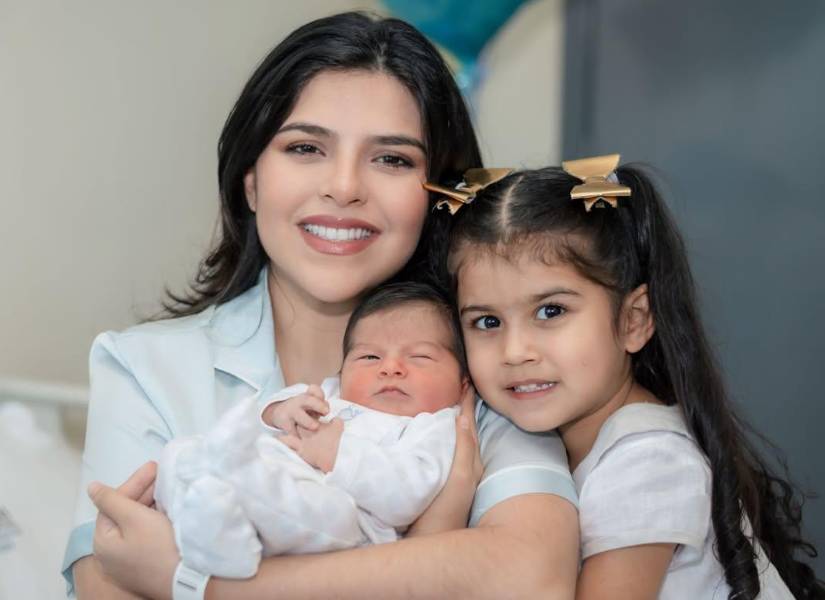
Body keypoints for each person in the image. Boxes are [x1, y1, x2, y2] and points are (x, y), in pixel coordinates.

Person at [65, 12, 580, 600]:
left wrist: (200, 585)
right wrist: (434, 546)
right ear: (250, 180)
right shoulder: (141, 367)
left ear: (439, 196)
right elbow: (110, 583)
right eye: (306, 147)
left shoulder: (487, 368)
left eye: (392, 159)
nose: (343, 187)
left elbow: (532, 577)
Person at [443, 157, 823, 599]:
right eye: (487, 322)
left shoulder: (647, 461)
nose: (515, 352)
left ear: (633, 320)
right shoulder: (543, 436)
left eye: (551, 311)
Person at [154, 282, 470, 578]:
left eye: (420, 357)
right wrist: (282, 411)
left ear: (462, 385)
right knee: (180, 452)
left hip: (347, 527)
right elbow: (280, 404)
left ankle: (220, 522)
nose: (390, 368)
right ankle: (206, 522)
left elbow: (405, 498)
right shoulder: (333, 394)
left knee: (316, 506)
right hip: (275, 474)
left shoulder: (435, 426)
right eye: (369, 356)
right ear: (342, 371)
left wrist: (337, 453)